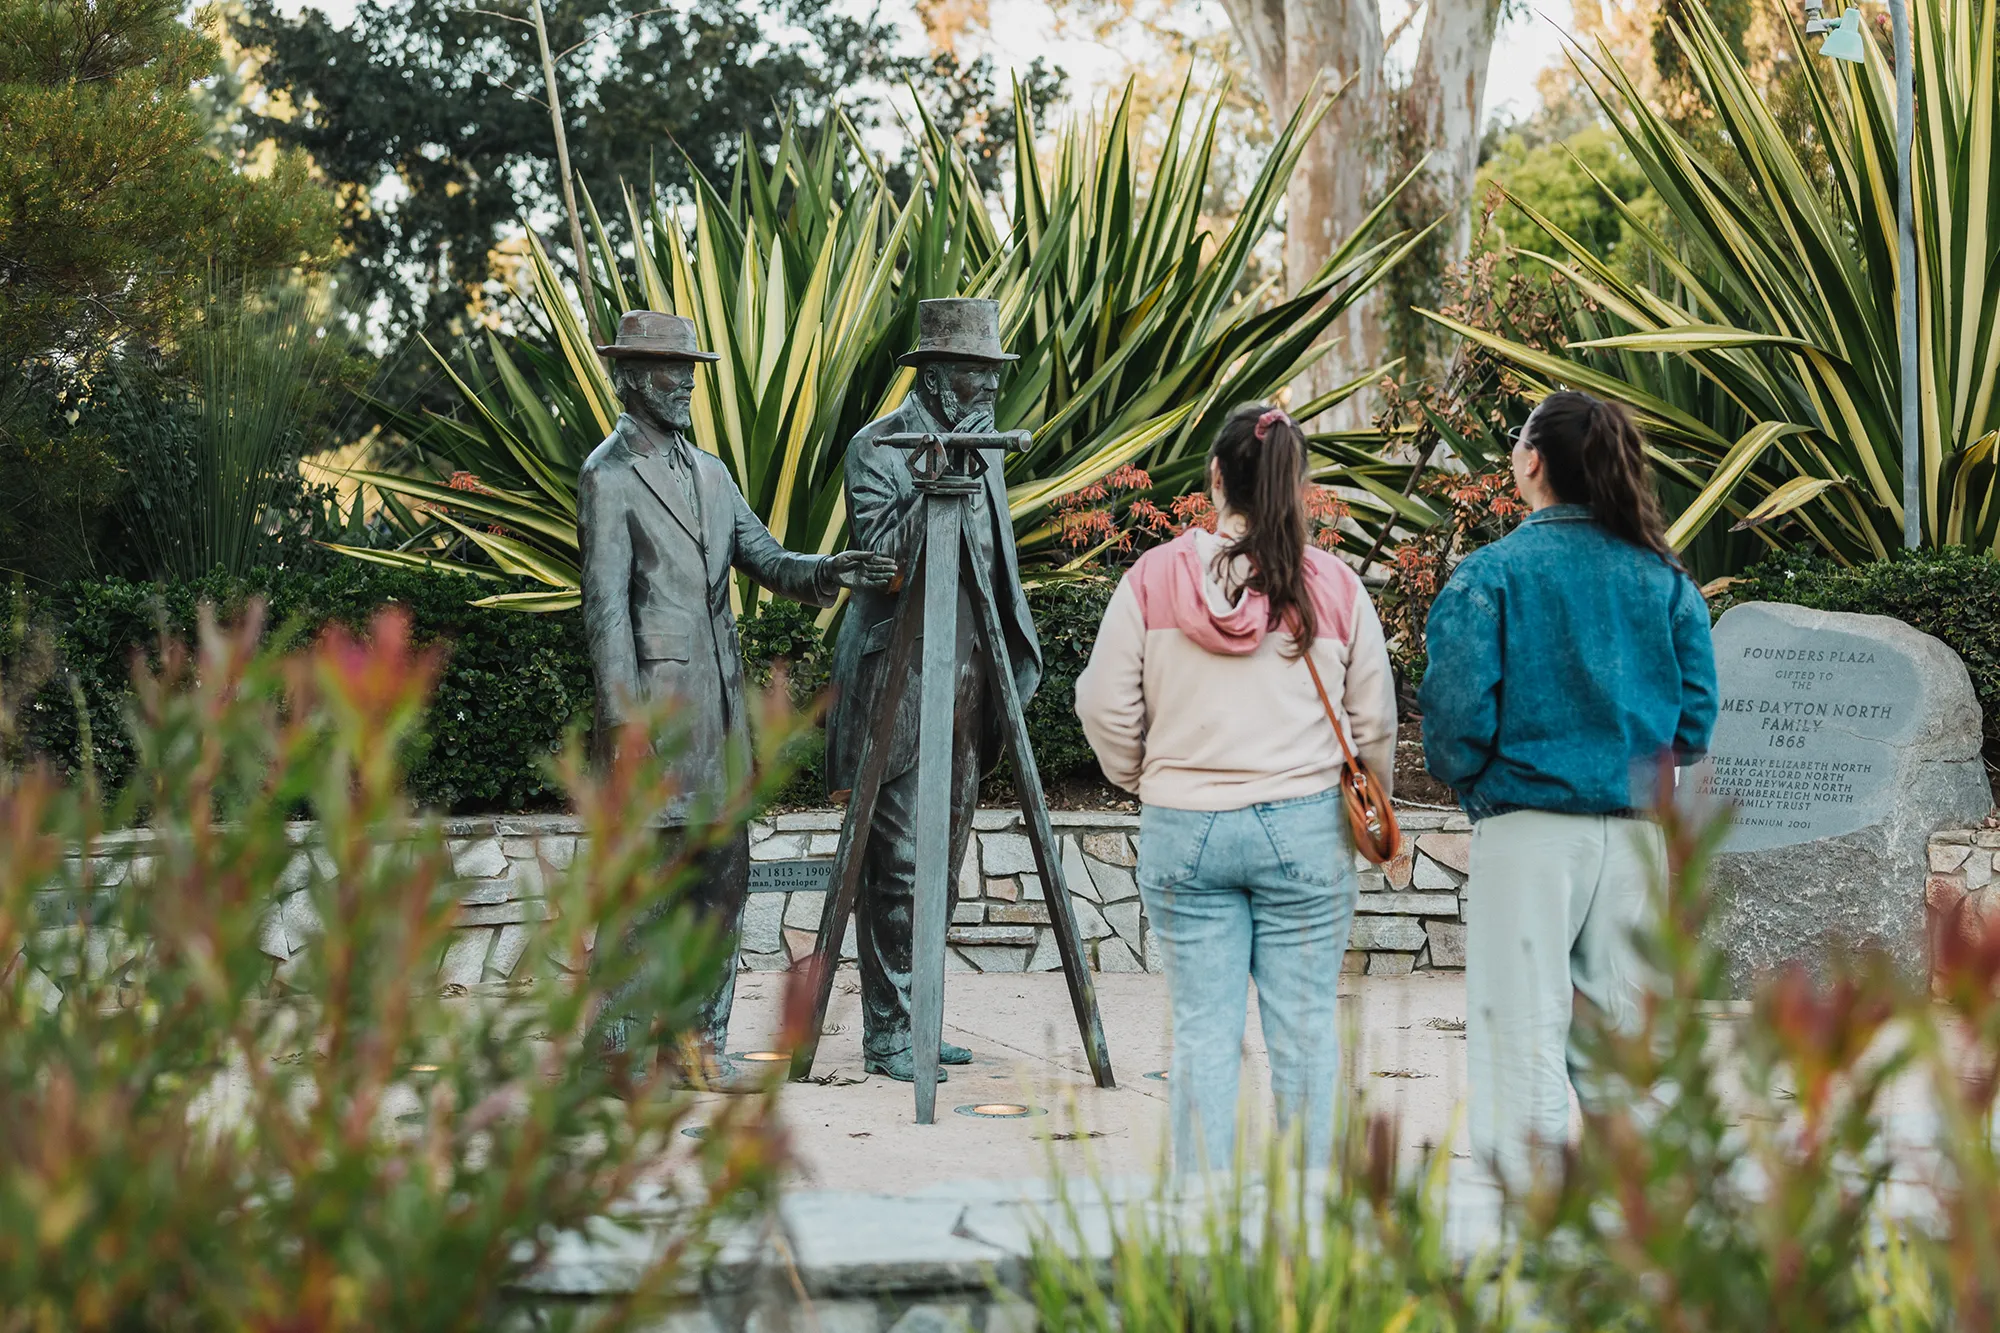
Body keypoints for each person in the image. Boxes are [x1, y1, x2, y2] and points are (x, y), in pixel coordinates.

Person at [1075, 403, 1397, 1172]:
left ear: (1216, 477)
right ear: (1297, 485)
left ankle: (1199, 1233)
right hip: (1307, 828)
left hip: (1186, 826)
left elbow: (1101, 703)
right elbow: (1375, 720)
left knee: (1202, 1034)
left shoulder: (1150, 580)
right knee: (1308, 1033)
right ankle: (1311, 1232)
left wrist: (1142, 776)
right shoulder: (1336, 587)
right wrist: (1370, 793)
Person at [578, 309, 896, 1074]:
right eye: (668, 370)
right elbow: (605, 608)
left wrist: (830, 570)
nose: (684, 382)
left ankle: (699, 1040)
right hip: (654, 717)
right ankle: (616, 1049)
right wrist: (626, 723)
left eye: (690, 370)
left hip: (718, 717)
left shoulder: (712, 473)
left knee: (725, 880)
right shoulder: (608, 474)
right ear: (628, 378)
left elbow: (765, 557)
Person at [1419, 389, 1717, 1188]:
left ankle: (1530, 1235)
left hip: (1528, 826)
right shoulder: (1664, 579)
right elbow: (1696, 717)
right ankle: (1643, 1232)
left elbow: (1452, 719)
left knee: (1521, 1036)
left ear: (1534, 460)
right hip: (1637, 833)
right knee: (1628, 1048)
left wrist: (1479, 784)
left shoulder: (1492, 576)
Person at [824, 298, 1043, 1083]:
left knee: (943, 868)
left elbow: (994, 562)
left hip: (971, 685)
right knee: (899, 866)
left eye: (993, 375)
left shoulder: (985, 447)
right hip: (900, 684)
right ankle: (886, 1034)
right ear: (939, 376)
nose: (989, 389)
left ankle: (920, 1018)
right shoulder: (878, 448)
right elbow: (879, 564)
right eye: (977, 375)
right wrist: (934, 481)